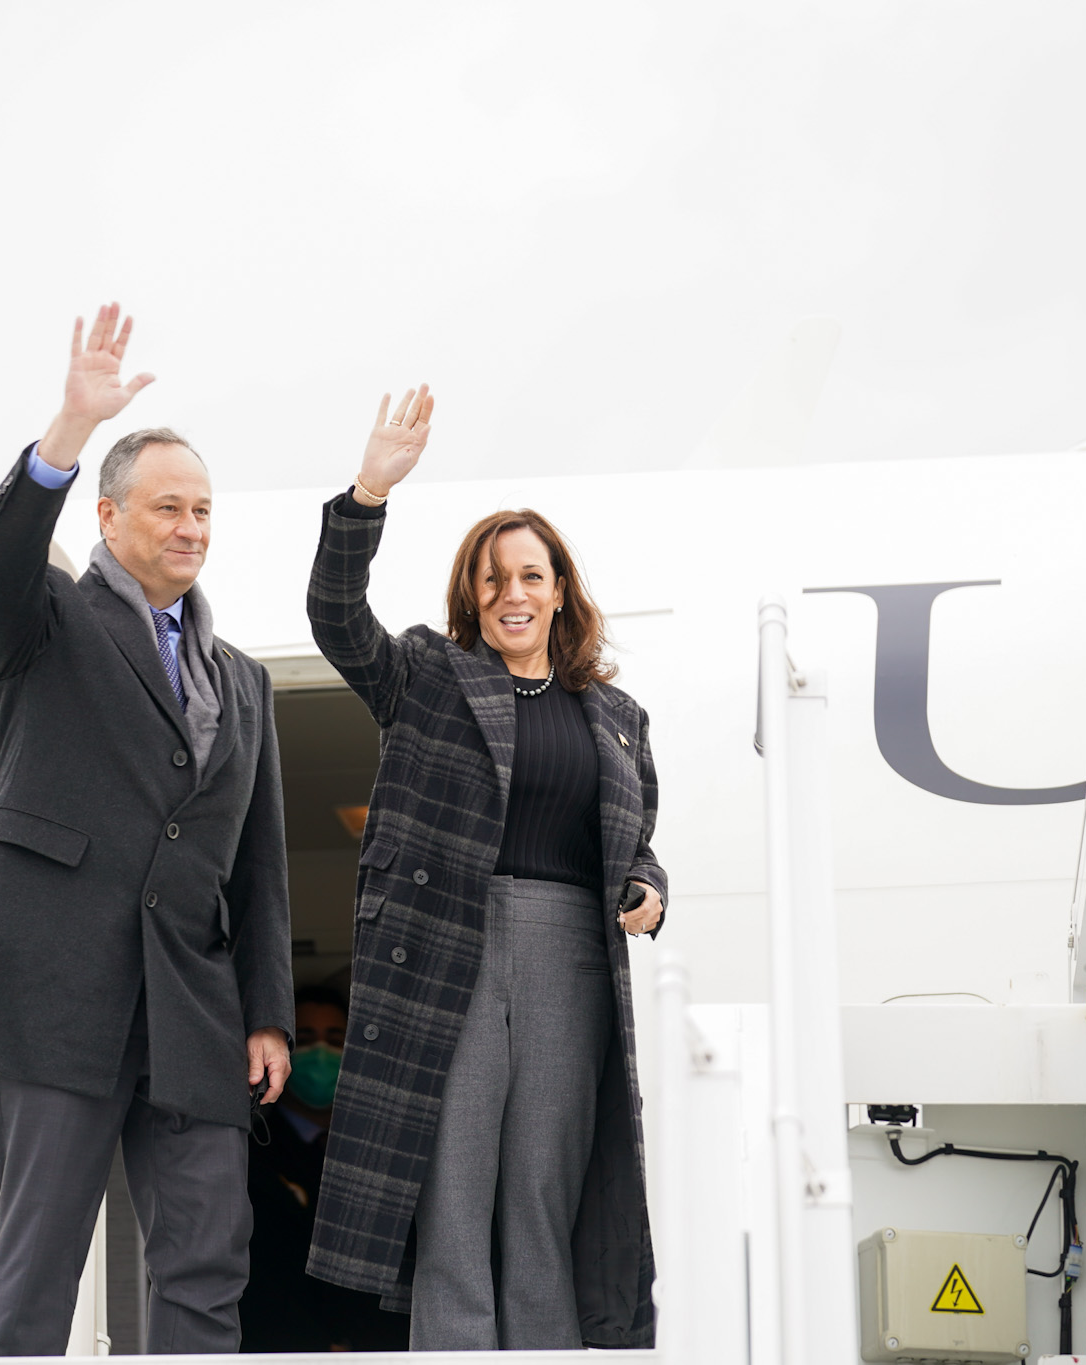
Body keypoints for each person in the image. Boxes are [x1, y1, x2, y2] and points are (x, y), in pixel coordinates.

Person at [0, 304, 294, 1355]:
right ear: (109, 518)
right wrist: (64, 436)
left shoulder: (245, 683)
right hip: (55, 990)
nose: (190, 528)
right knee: (41, 1260)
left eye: (203, 511)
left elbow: (255, 869)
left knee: (209, 1254)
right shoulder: (45, 622)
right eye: (168, 508)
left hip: (193, 1007)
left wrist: (267, 1012)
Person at [303, 386, 667, 1350]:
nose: (513, 594)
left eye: (531, 576)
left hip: (571, 959)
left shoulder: (617, 717)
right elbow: (338, 619)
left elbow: (638, 842)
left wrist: (649, 888)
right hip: (450, 949)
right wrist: (368, 492)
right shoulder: (429, 678)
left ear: (560, 590)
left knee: (545, 1194)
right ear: (473, 593)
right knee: (454, 1192)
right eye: (493, 578)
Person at [240, 986, 411, 1353]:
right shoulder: (247, 1152)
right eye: (304, 1040)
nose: (320, 1053)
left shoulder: (387, 1152)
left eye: (335, 1039)